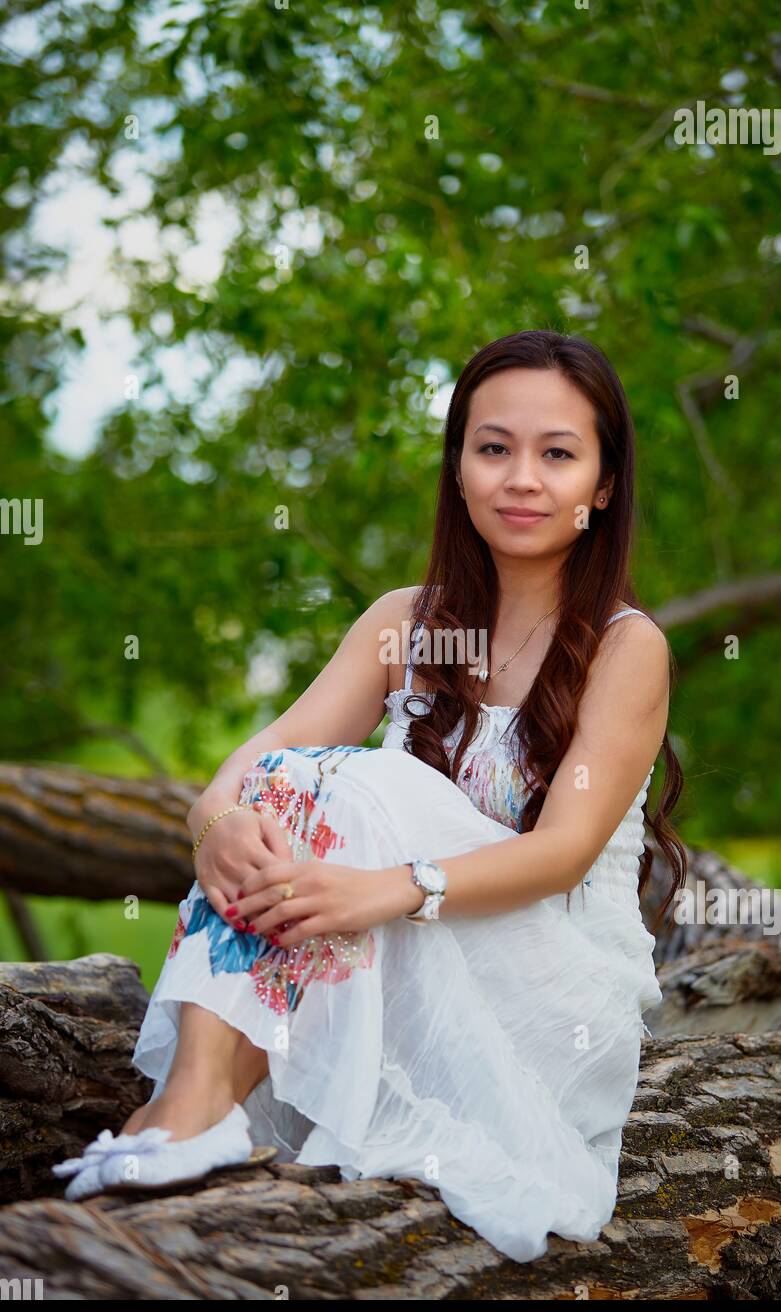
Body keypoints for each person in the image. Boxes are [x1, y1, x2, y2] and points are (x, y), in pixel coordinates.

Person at [54, 329, 686, 1264]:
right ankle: (192, 1107)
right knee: (284, 785)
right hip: (404, 956)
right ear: (458, 468)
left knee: (359, 780)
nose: (521, 477)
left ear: (602, 485)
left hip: (548, 990)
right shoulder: (404, 623)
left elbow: (564, 853)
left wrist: (385, 888)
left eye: (557, 454)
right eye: (493, 447)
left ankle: (183, 1116)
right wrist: (217, 829)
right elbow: (254, 763)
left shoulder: (627, 647)